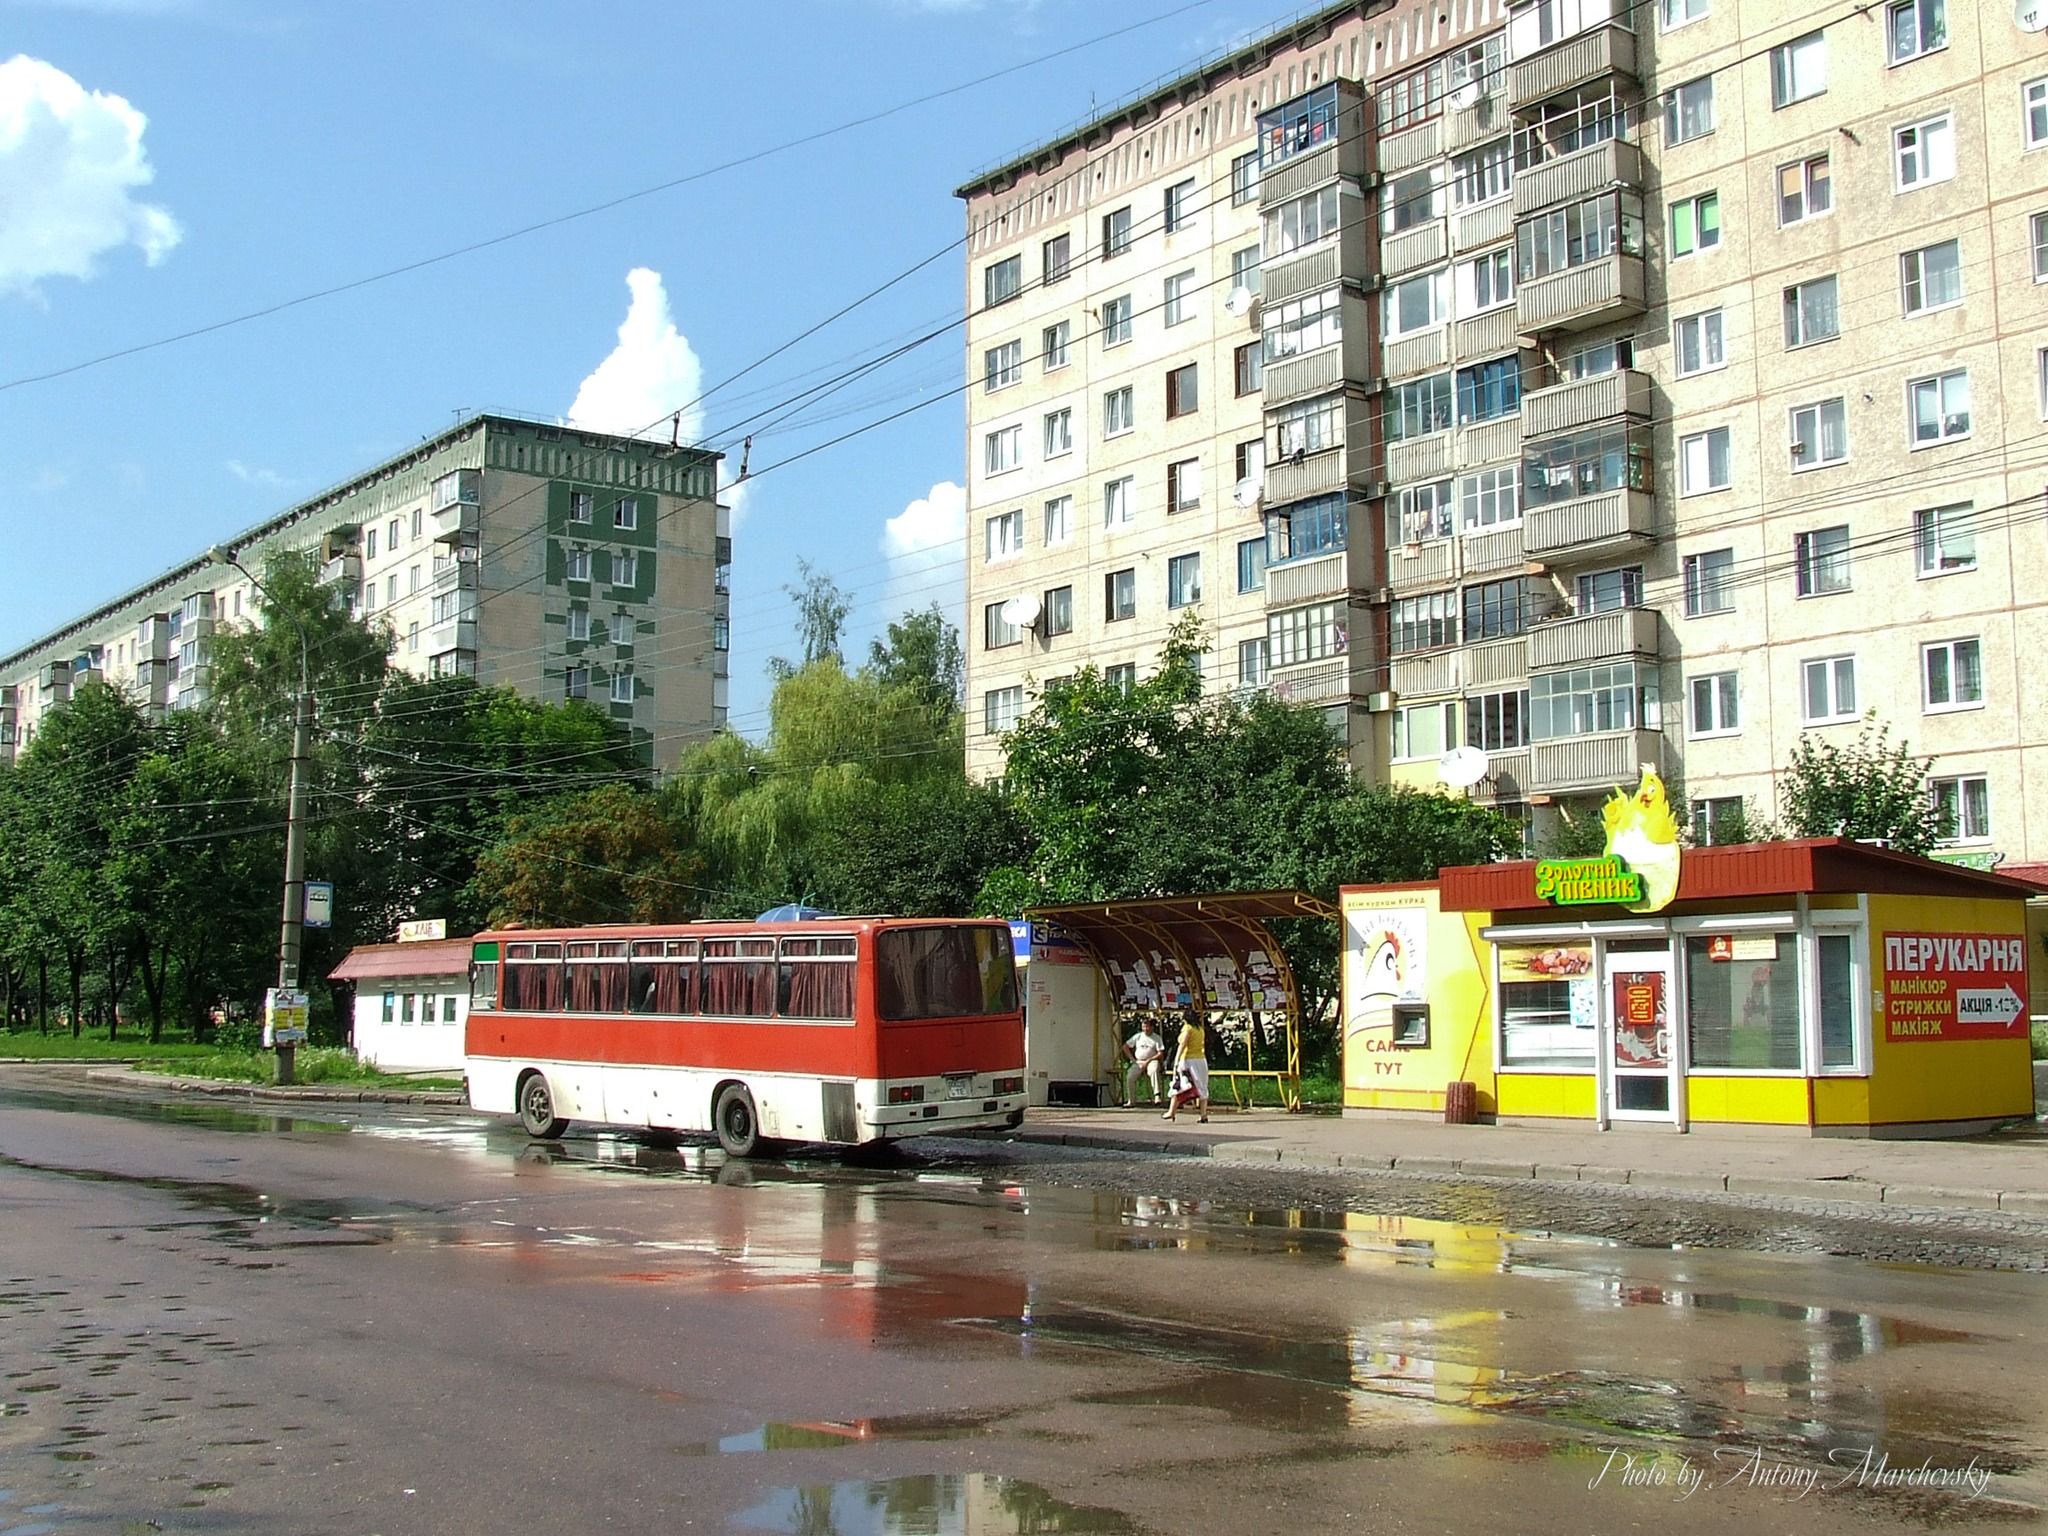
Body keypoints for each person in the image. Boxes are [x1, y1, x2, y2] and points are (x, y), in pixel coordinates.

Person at [1163, 1009, 1208, 1123]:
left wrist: (1176, 1060)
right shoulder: (1200, 1029)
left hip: (1188, 1060)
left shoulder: (1187, 1028)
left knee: (1179, 1084)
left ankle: (1171, 1112)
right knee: (1202, 1086)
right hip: (1201, 1060)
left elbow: (1182, 1045)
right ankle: (1203, 1115)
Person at [1121, 1018, 1165, 1106]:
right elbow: (1125, 1047)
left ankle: (1157, 1096)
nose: (1145, 1029)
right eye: (1143, 1027)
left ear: (1152, 1027)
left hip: (1152, 1060)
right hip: (1139, 1061)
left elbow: (1160, 1053)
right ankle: (1131, 1100)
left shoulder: (1157, 1038)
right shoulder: (1138, 1036)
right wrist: (1133, 1060)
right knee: (1130, 1076)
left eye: (1147, 1027)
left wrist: (1149, 1060)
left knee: (1154, 1070)